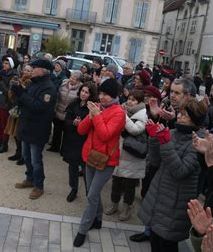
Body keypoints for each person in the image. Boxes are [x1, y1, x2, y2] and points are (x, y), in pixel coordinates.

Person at [138, 98, 208, 252]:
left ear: (195, 119)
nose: (180, 117)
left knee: (167, 244)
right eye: (180, 113)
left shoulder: (199, 142)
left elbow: (180, 171)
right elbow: (156, 161)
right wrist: (154, 138)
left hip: (176, 201)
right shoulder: (173, 132)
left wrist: (165, 142)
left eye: (185, 115)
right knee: (155, 239)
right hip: (159, 193)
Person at [73, 78, 126, 247]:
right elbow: (81, 130)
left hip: (106, 161)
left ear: (115, 96)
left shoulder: (119, 113)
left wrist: (96, 116)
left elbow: (105, 134)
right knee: (91, 192)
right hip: (90, 156)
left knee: (92, 195)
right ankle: (98, 218)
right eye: (101, 93)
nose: (102, 97)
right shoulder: (97, 108)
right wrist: (90, 116)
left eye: (107, 95)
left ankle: (82, 229)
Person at [12, 59, 57, 200]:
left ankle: (39, 186)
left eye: (35, 68)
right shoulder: (34, 83)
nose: (32, 70)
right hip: (27, 126)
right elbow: (26, 101)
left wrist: (22, 94)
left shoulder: (48, 88)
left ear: (43, 70)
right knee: (26, 156)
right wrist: (18, 92)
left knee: (36, 160)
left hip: (38, 129)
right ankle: (29, 178)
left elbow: (37, 107)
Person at [105, 90, 148, 221]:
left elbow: (135, 130)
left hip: (131, 156)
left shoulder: (142, 115)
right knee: (116, 182)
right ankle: (114, 204)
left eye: (134, 100)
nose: (130, 101)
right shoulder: (123, 109)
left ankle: (127, 208)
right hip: (118, 152)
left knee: (129, 185)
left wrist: (124, 116)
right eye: (129, 98)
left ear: (140, 102)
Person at [61, 82, 98, 202]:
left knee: (86, 169)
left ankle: (90, 192)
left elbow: (94, 125)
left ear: (91, 94)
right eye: (82, 91)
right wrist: (73, 123)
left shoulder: (92, 107)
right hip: (71, 140)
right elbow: (66, 120)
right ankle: (74, 188)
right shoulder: (74, 103)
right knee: (72, 167)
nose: (83, 94)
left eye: (87, 92)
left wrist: (82, 124)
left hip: (85, 142)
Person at [48, 71, 83, 153]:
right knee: (57, 130)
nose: (72, 79)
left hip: (69, 114)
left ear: (78, 81)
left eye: (74, 79)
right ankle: (54, 147)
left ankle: (64, 150)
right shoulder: (64, 83)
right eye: (71, 77)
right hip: (59, 109)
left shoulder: (80, 88)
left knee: (67, 133)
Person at [7, 64, 33, 165]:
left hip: (24, 110)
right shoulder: (19, 80)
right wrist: (13, 90)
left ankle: (23, 155)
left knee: (22, 134)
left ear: (32, 72)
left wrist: (21, 89)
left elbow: (27, 96)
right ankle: (18, 152)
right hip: (16, 108)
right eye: (25, 70)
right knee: (15, 132)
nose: (25, 72)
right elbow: (11, 95)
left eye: (28, 70)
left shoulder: (31, 83)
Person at [0, 56, 17, 153]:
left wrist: (0, 81)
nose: (4, 65)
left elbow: (9, 92)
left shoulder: (14, 75)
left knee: (4, 125)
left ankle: (4, 144)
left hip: (5, 103)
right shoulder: (1, 73)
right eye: (4, 63)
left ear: (11, 65)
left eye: (7, 63)